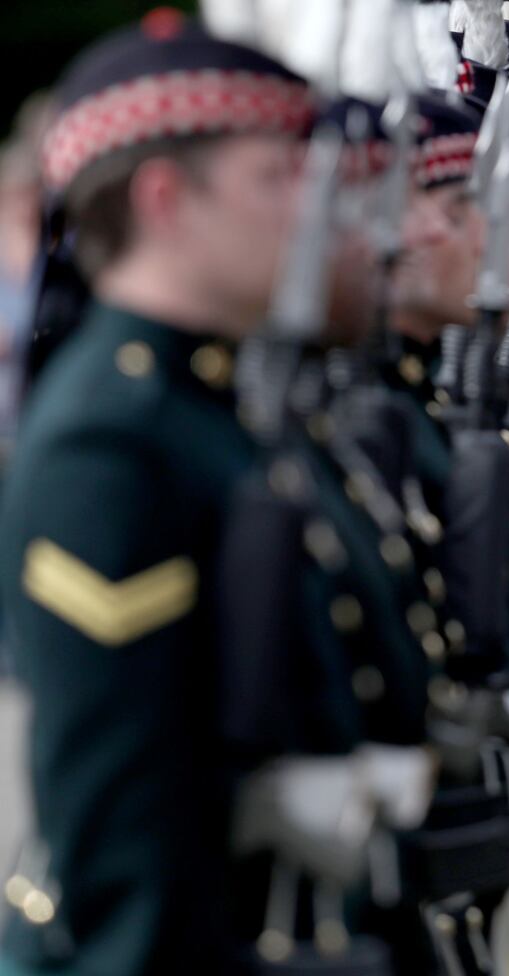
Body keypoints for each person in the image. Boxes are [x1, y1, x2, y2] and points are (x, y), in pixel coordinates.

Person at [0, 14, 315, 972]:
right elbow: (123, 831)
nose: (305, 210)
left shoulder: (199, 397)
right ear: (167, 198)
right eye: (275, 177)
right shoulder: (110, 441)